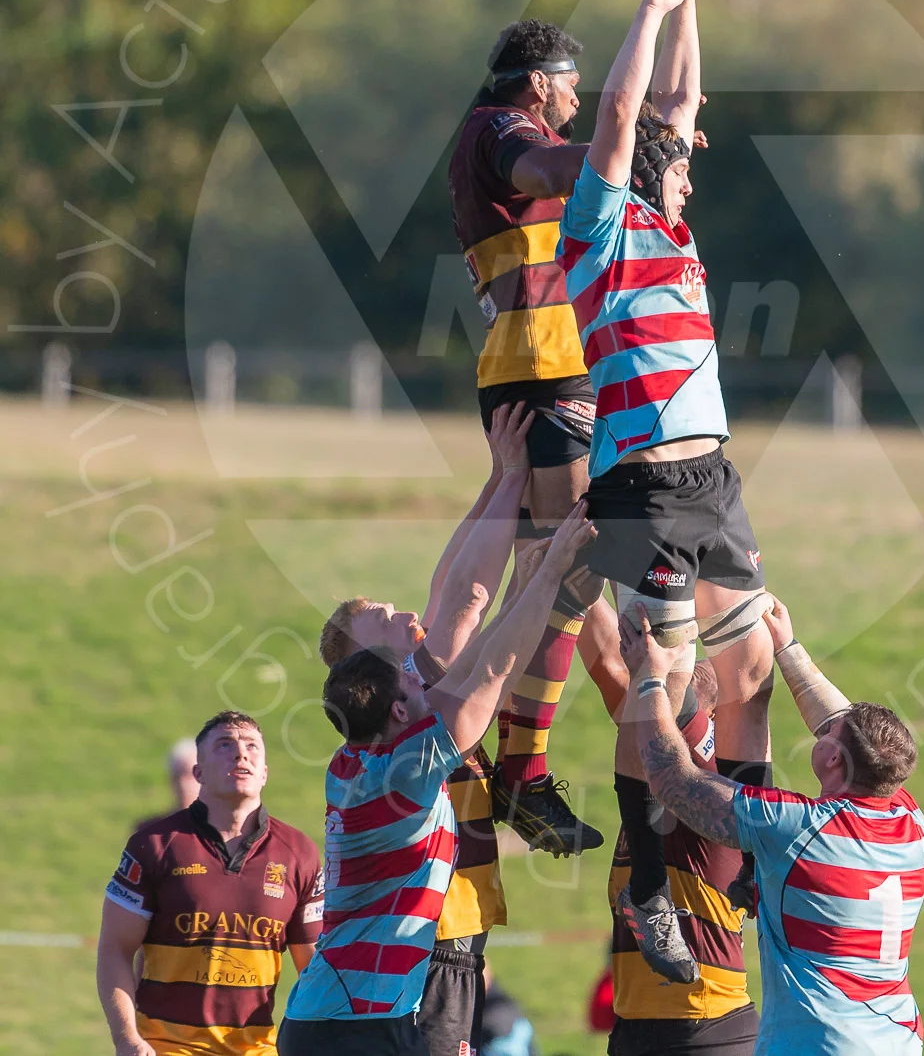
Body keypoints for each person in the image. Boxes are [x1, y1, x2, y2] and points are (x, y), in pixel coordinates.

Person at [556, 0, 774, 980]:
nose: (692, 172)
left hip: (712, 475)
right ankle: (649, 886)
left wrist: (690, 8)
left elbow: (680, 105)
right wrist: (645, 5)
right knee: (661, 677)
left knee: (752, 665)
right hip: (640, 483)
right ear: (647, 172)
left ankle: (757, 846)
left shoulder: (675, 223)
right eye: (679, 167)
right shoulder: (597, 223)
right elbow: (628, 109)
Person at [278, 503, 597, 1056]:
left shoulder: (352, 762)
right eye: (412, 687)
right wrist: (549, 573)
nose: (426, 686)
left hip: (345, 1013)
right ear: (400, 714)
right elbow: (490, 673)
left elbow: (477, 668)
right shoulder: (407, 770)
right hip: (356, 1023)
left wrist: (525, 584)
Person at [319, 405, 566, 1056]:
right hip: (435, 931)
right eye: (378, 616)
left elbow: (449, 585)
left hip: (445, 925)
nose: (399, 610)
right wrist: (512, 479)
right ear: (359, 659)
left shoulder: (405, 690)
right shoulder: (411, 686)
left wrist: (498, 479)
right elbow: (462, 597)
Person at [620, 597, 924, 1055]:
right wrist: (788, 647)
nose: (822, 729)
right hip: (896, 1041)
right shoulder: (909, 822)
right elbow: (850, 733)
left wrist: (649, 680)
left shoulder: (796, 828)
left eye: (827, 734)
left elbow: (672, 780)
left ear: (831, 758)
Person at [448, 17, 602, 856]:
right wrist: (621, 148)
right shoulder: (497, 127)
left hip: (558, 366)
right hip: (542, 365)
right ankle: (517, 770)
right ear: (536, 80)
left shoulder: (516, 126)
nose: (578, 96)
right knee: (565, 568)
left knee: (562, 574)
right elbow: (541, 167)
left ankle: (510, 764)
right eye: (571, 80)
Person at [580, 599, 759, 1056]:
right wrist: (573, 569)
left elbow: (674, 710)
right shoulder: (643, 770)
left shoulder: (708, 770)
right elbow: (605, 663)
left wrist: (663, 637)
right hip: (636, 1028)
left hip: (706, 1025)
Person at [97, 712, 324, 1056]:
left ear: (264, 772)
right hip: (166, 1048)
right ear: (198, 772)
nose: (240, 754)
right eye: (224, 745)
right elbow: (115, 948)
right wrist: (126, 1037)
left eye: (252, 747)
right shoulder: (154, 844)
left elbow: (315, 970)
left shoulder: (299, 854)